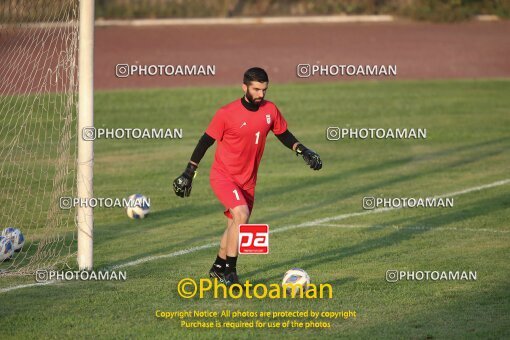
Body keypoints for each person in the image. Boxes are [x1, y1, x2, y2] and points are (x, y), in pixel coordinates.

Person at [173, 67, 322, 287]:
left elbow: (283, 133)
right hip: (224, 176)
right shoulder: (226, 113)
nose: (261, 94)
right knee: (240, 214)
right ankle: (230, 273)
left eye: (264, 89)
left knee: (236, 224)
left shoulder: (270, 110)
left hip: (248, 180)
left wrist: (303, 150)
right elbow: (205, 142)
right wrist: (189, 172)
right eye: (256, 89)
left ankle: (217, 268)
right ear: (244, 87)